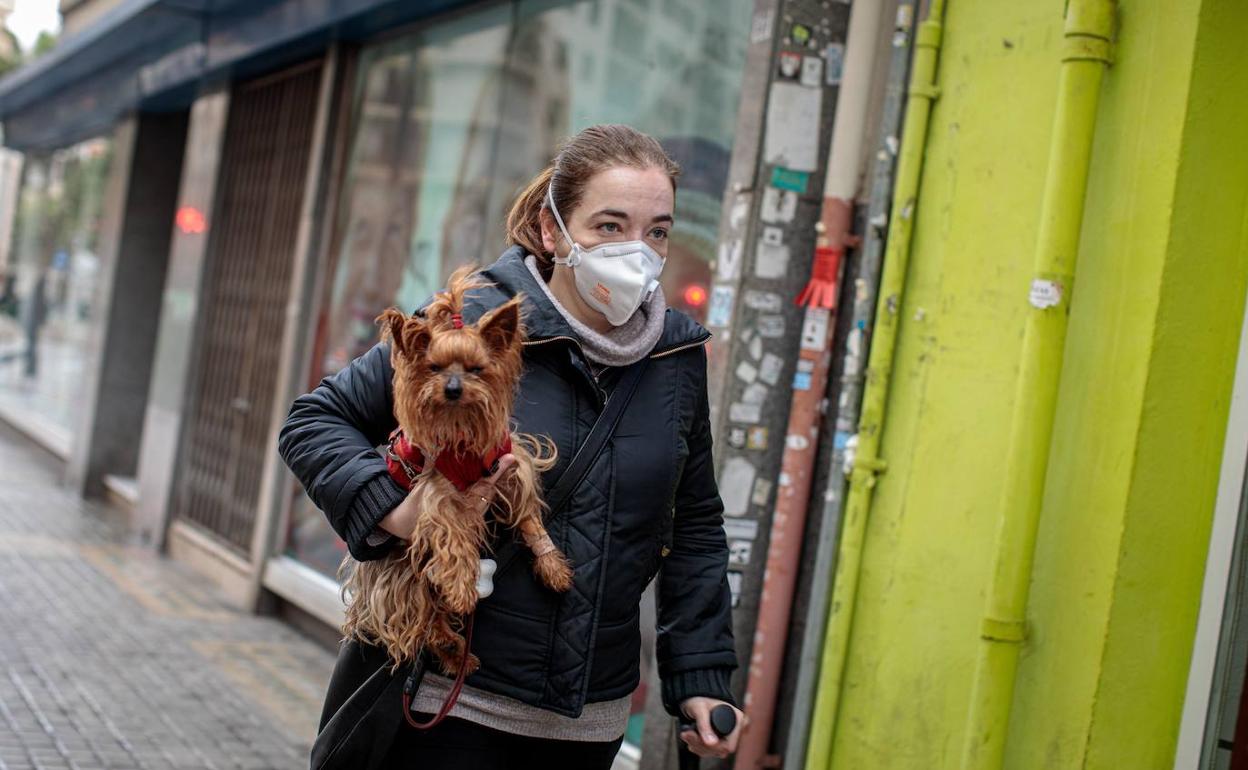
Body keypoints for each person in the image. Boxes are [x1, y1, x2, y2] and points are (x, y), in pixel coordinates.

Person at [279, 124, 742, 768]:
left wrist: (701, 677)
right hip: (448, 706)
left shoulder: (676, 359)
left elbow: (693, 524)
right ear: (554, 232)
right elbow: (313, 421)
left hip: (588, 729)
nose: (636, 251)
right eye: (610, 226)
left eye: (656, 231)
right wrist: (394, 509)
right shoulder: (469, 322)